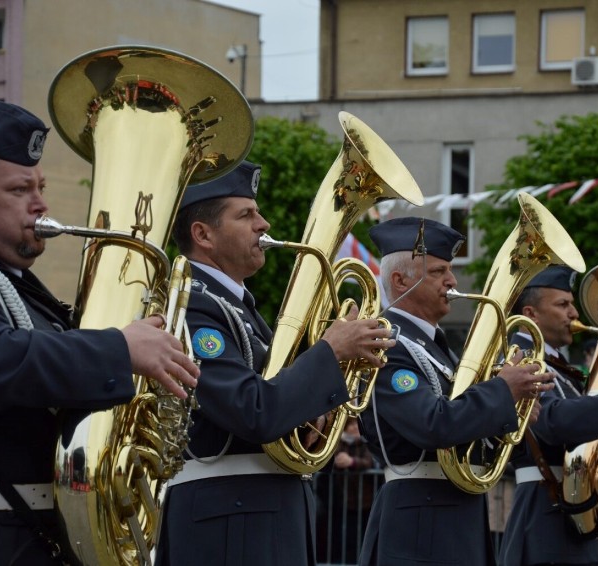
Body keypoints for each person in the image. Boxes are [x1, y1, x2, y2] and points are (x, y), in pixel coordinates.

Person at [0, 100, 200, 564]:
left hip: (34, 536)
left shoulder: (20, 289)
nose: (41, 204)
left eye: (40, 186)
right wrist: (119, 347)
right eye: (20, 189)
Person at [156, 160, 392, 566]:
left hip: (258, 513)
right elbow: (254, 410)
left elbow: (276, 407)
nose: (263, 224)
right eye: (246, 214)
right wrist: (331, 351)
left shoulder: (237, 309)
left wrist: (318, 413)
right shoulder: (192, 306)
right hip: (229, 521)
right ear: (203, 234)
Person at [357, 217, 551, 566]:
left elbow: (466, 429)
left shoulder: (439, 349)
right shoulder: (388, 344)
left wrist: (512, 413)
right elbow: (434, 425)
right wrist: (503, 391)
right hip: (419, 520)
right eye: (438, 271)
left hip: (455, 516)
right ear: (400, 280)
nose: (453, 280)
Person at [498, 265, 598, 566]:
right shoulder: (518, 359)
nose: (574, 313)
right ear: (531, 314)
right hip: (545, 513)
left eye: (572, 304)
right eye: (562, 304)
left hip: (572, 510)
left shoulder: (559, 366)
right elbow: (550, 422)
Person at [327, 417, 377, 564]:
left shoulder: (366, 442)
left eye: (356, 424)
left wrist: (352, 462)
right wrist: (337, 462)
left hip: (366, 501)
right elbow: (329, 460)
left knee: (363, 537)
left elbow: (370, 462)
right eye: (350, 425)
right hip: (343, 500)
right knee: (344, 537)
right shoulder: (338, 443)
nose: (354, 428)